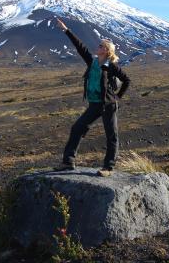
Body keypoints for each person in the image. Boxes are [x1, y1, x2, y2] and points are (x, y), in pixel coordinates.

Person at [53, 17, 131, 177]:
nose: (98, 46)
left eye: (101, 45)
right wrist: (66, 29)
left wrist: (117, 97)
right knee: (77, 128)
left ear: (107, 51)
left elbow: (127, 80)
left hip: (108, 104)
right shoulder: (93, 62)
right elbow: (79, 46)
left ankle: (108, 168)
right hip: (95, 104)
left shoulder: (110, 66)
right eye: (99, 44)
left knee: (111, 135)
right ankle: (68, 162)